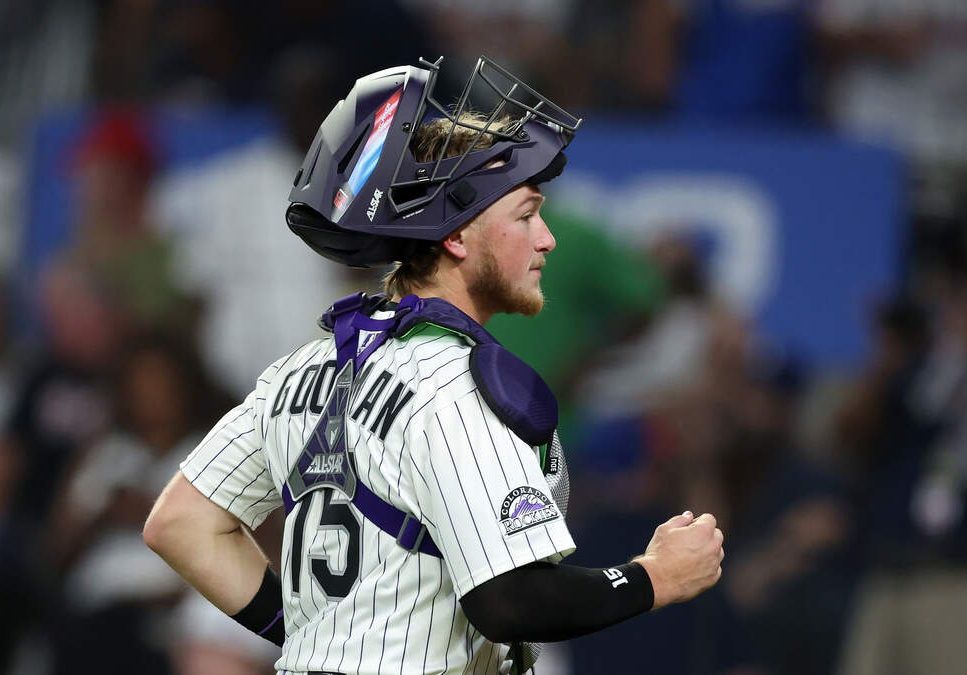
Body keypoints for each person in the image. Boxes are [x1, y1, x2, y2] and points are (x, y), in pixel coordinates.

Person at [145, 56, 725, 674]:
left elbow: (180, 523)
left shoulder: (298, 369)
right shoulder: (461, 386)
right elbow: (509, 601)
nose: (546, 238)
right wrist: (652, 576)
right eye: (525, 215)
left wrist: (310, 639)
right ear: (456, 236)